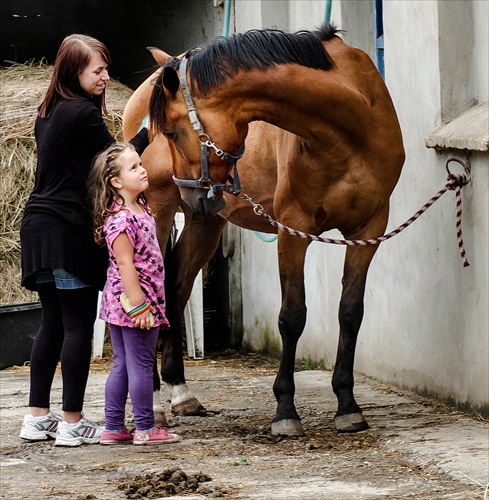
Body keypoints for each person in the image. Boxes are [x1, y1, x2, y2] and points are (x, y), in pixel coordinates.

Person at [19, 34, 149, 447]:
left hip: (37, 227)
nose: (106, 77)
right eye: (98, 70)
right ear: (75, 72)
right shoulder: (81, 114)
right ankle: (73, 422)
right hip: (65, 232)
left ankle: (37, 418)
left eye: (106, 68)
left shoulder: (49, 111)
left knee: (52, 324)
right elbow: (118, 162)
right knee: (76, 327)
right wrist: (152, 129)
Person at [88, 142, 180, 446]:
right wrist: (139, 306)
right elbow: (125, 263)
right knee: (140, 363)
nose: (142, 170)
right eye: (134, 167)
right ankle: (145, 427)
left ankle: (114, 427)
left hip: (125, 302)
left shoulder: (140, 209)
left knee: (124, 362)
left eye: (141, 164)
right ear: (116, 182)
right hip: (135, 302)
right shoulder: (123, 219)